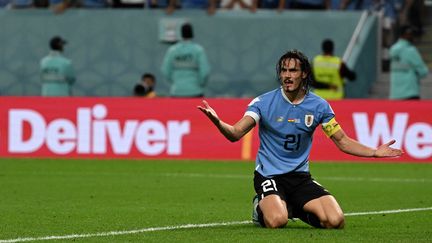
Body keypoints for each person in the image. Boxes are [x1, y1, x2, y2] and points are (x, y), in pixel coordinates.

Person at [198, 49, 403, 229]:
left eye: (293, 71)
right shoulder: (263, 102)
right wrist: (218, 122)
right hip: (269, 176)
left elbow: (342, 141)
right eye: (284, 71)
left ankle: (290, 205)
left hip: (299, 177)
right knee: (277, 221)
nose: (287, 76)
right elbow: (235, 133)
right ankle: (260, 208)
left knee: (335, 221)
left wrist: (374, 152)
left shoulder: (319, 106)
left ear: (304, 73)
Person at [161, 23, 211, 98]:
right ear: (192, 34)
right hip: (195, 91)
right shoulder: (198, 50)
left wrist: (175, 82)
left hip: (176, 91)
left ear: (181, 34)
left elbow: (165, 70)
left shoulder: (172, 50)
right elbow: (205, 71)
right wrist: (200, 84)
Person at [389, 25, 429, 100]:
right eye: (411, 34)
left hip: (395, 95)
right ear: (406, 35)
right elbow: (423, 71)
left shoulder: (392, 49)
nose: (413, 37)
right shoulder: (410, 50)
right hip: (410, 93)